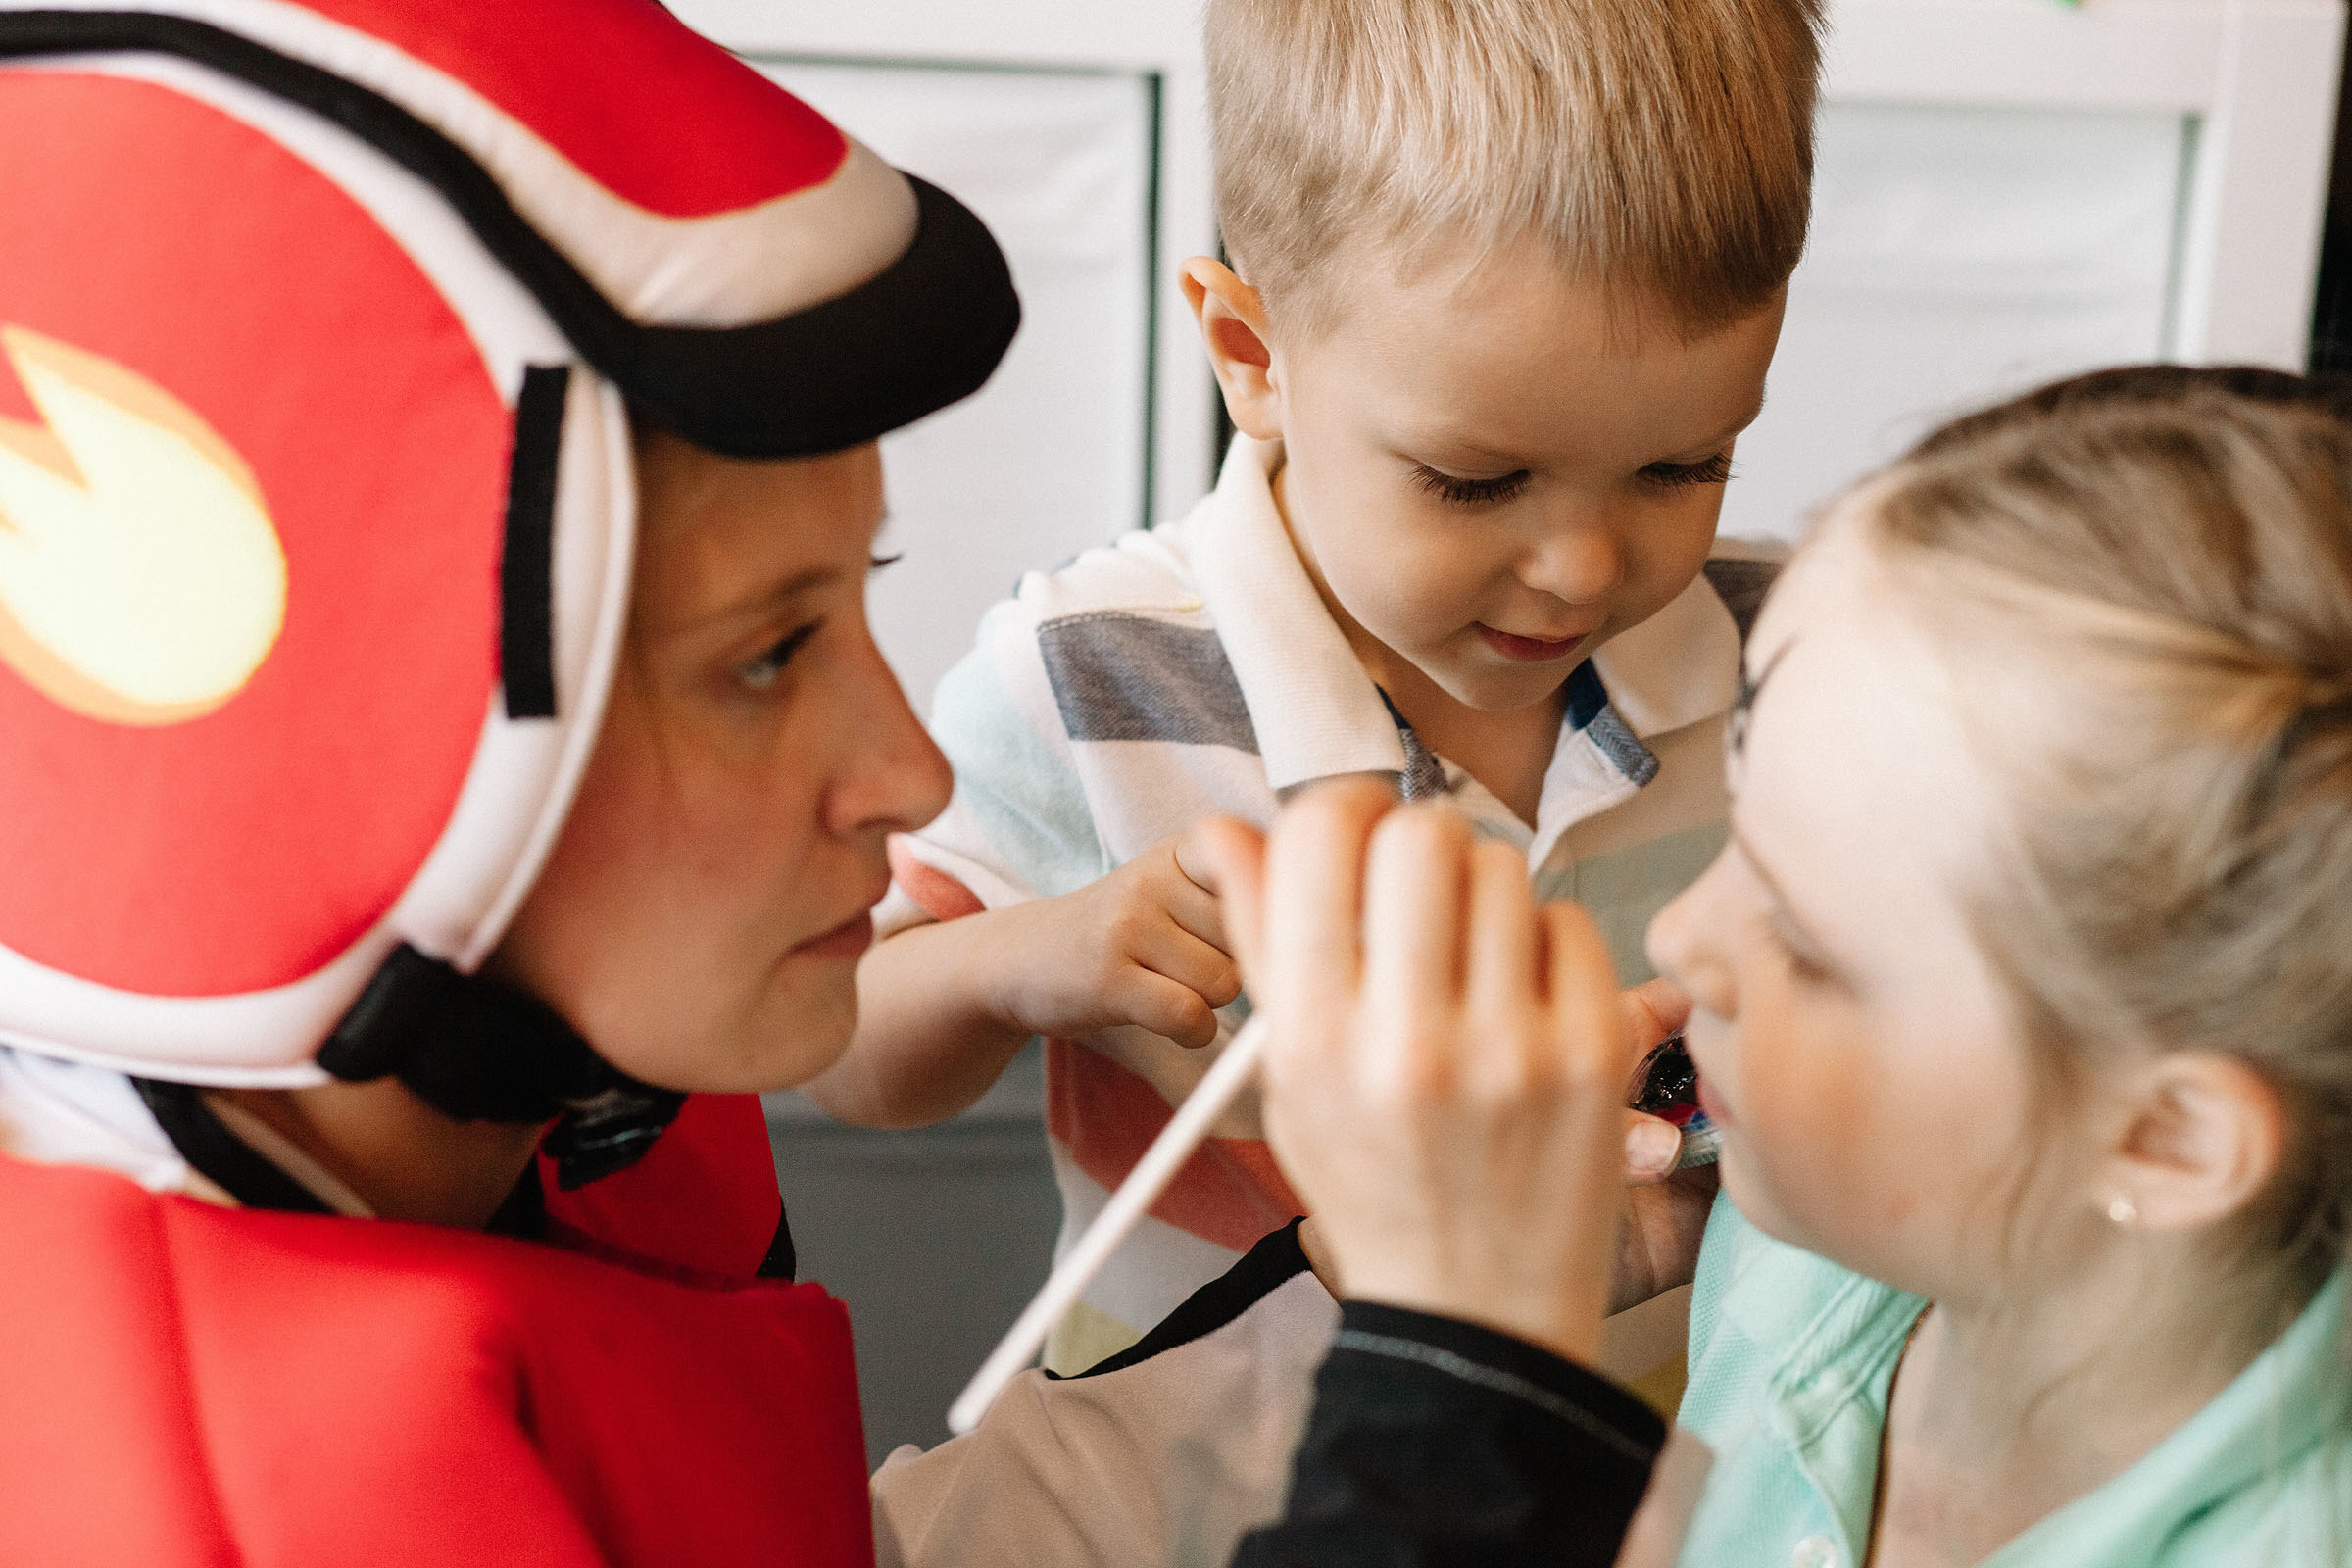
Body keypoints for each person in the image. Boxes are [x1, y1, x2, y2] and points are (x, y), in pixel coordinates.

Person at [0, 3, 1675, 1564]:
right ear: (337, 751)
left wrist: (1409, 1299)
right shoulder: (236, 1500)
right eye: (765, 658)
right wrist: (1459, 1392)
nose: (908, 770)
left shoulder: (566, 1095)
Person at [814, 0, 1823, 1377]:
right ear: (1252, 357)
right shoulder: (1091, 669)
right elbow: (841, 1048)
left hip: (1656, 1445)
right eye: (1476, 480)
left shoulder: (1808, 651)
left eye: (1682, 466)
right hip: (1208, 1458)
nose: (1581, 568)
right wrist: (1025, 960)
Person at [1642, 368, 2349, 1564]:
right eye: (1738, 832)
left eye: (1804, 943)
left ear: (2166, 1137)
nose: (1675, 936)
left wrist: (1465, 1351)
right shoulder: (1807, 1239)